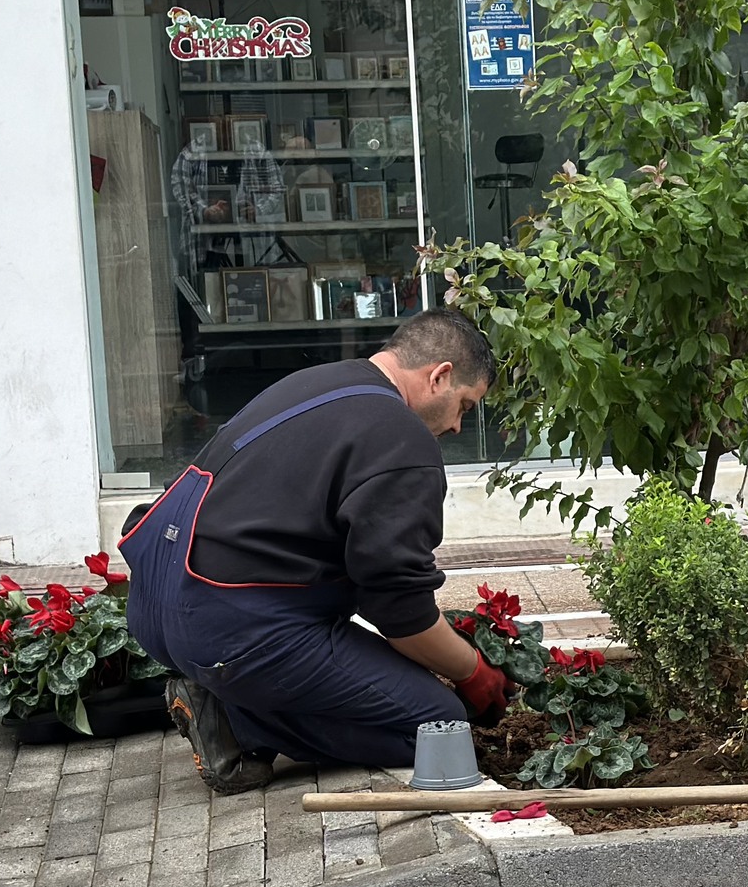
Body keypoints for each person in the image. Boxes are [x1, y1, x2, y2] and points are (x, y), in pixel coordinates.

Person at [119, 309, 508, 794]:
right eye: (465, 406)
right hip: (229, 626)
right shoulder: (400, 437)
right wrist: (473, 671)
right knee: (436, 724)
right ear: (440, 376)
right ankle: (237, 722)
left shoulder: (321, 382)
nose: (456, 427)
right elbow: (398, 609)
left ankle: (230, 693)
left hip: (158, 605)